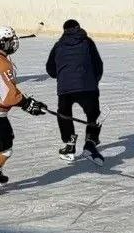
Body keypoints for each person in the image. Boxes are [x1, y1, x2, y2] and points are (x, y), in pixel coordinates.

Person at [0, 26, 48, 195]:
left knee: (7, 139)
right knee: (3, 150)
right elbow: (9, 96)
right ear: (2, 43)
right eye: (11, 40)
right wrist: (28, 104)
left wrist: (26, 102)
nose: (14, 42)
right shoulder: (2, 64)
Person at [45, 19, 105, 165]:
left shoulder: (58, 45)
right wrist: (93, 82)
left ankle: (69, 144)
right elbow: (98, 64)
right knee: (93, 114)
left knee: (64, 114)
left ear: (64, 30)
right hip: (88, 86)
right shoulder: (87, 42)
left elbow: (50, 69)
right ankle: (90, 142)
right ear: (79, 28)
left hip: (65, 88)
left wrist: (63, 76)